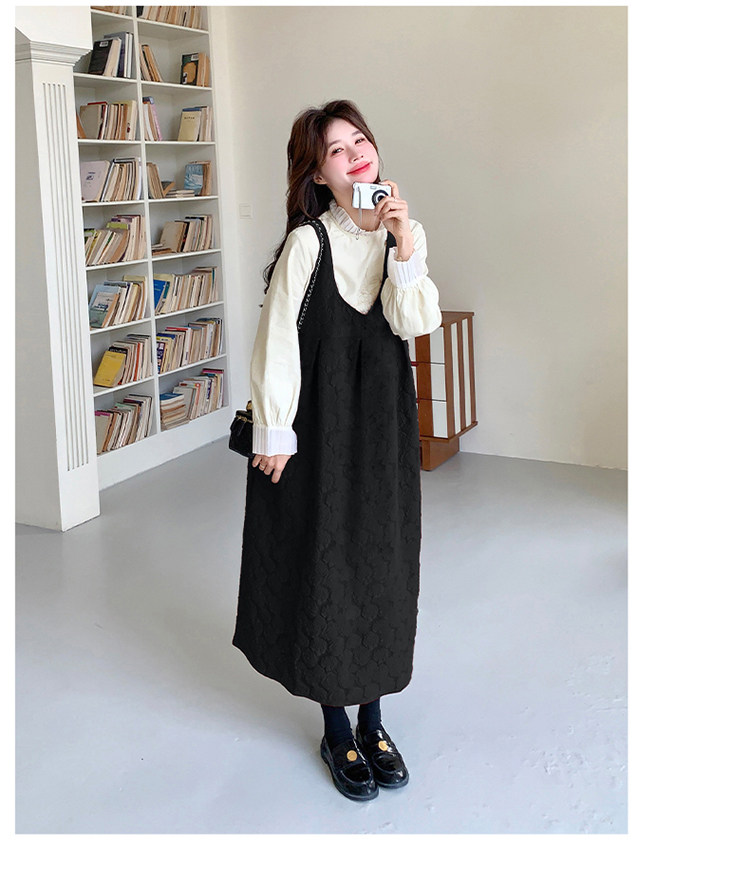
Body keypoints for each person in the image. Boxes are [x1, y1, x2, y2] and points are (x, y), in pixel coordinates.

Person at [232, 99, 442, 801]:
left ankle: (374, 720)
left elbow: (414, 321)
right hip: (319, 429)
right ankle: (335, 727)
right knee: (324, 564)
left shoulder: (403, 234)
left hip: (382, 427)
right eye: (336, 150)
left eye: (361, 141)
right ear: (318, 174)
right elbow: (277, 342)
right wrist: (275, 431)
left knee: (382, 562)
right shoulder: (308, 243)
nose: (355, 155)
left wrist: (403, 245)